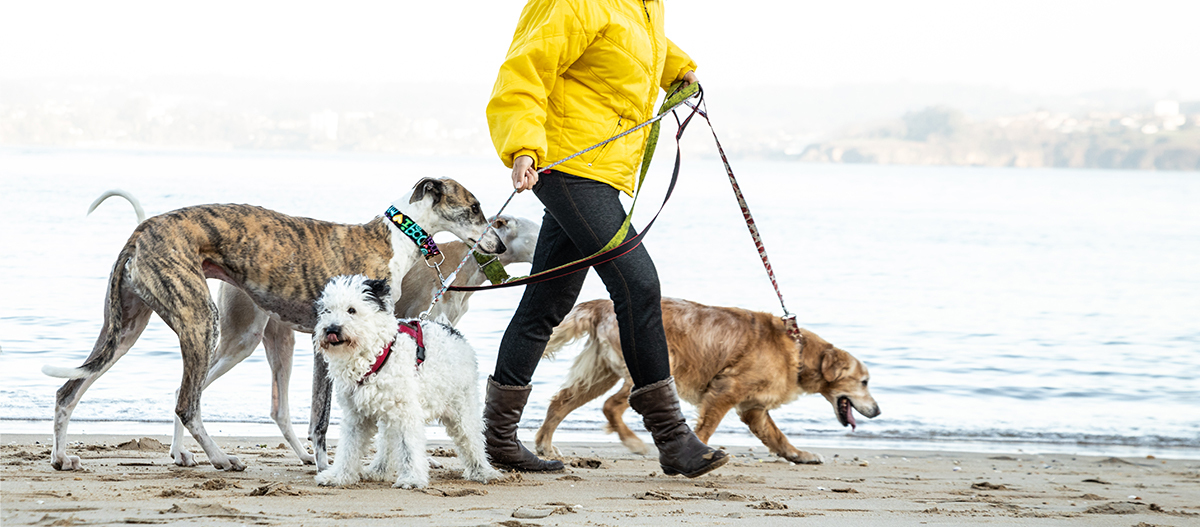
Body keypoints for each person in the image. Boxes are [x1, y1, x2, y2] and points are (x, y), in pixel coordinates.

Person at [483, 0, 728, 478]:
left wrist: (679, 70)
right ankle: (673, 437)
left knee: (544, 305)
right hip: (567, 164)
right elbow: (524, 68)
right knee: (638, 285)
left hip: (599, 169)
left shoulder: (641, 7)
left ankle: (497, 439)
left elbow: (635, 46)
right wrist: (521, 147)